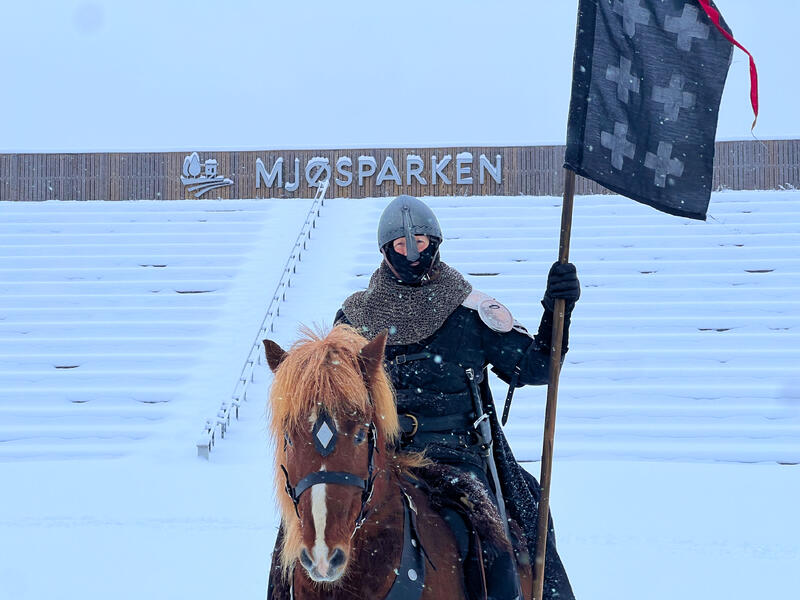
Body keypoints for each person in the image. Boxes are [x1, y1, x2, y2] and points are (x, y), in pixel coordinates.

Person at [334, 195, 579, 600]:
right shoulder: (355, 318)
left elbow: (535, 368)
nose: (414, 254)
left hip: (457, 457)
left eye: (423, 243)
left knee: (498, 539)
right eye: (402, 245)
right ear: (386, 250)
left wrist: (558, 310)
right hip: (382, 458)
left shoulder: (470, 310)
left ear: (436, 243)